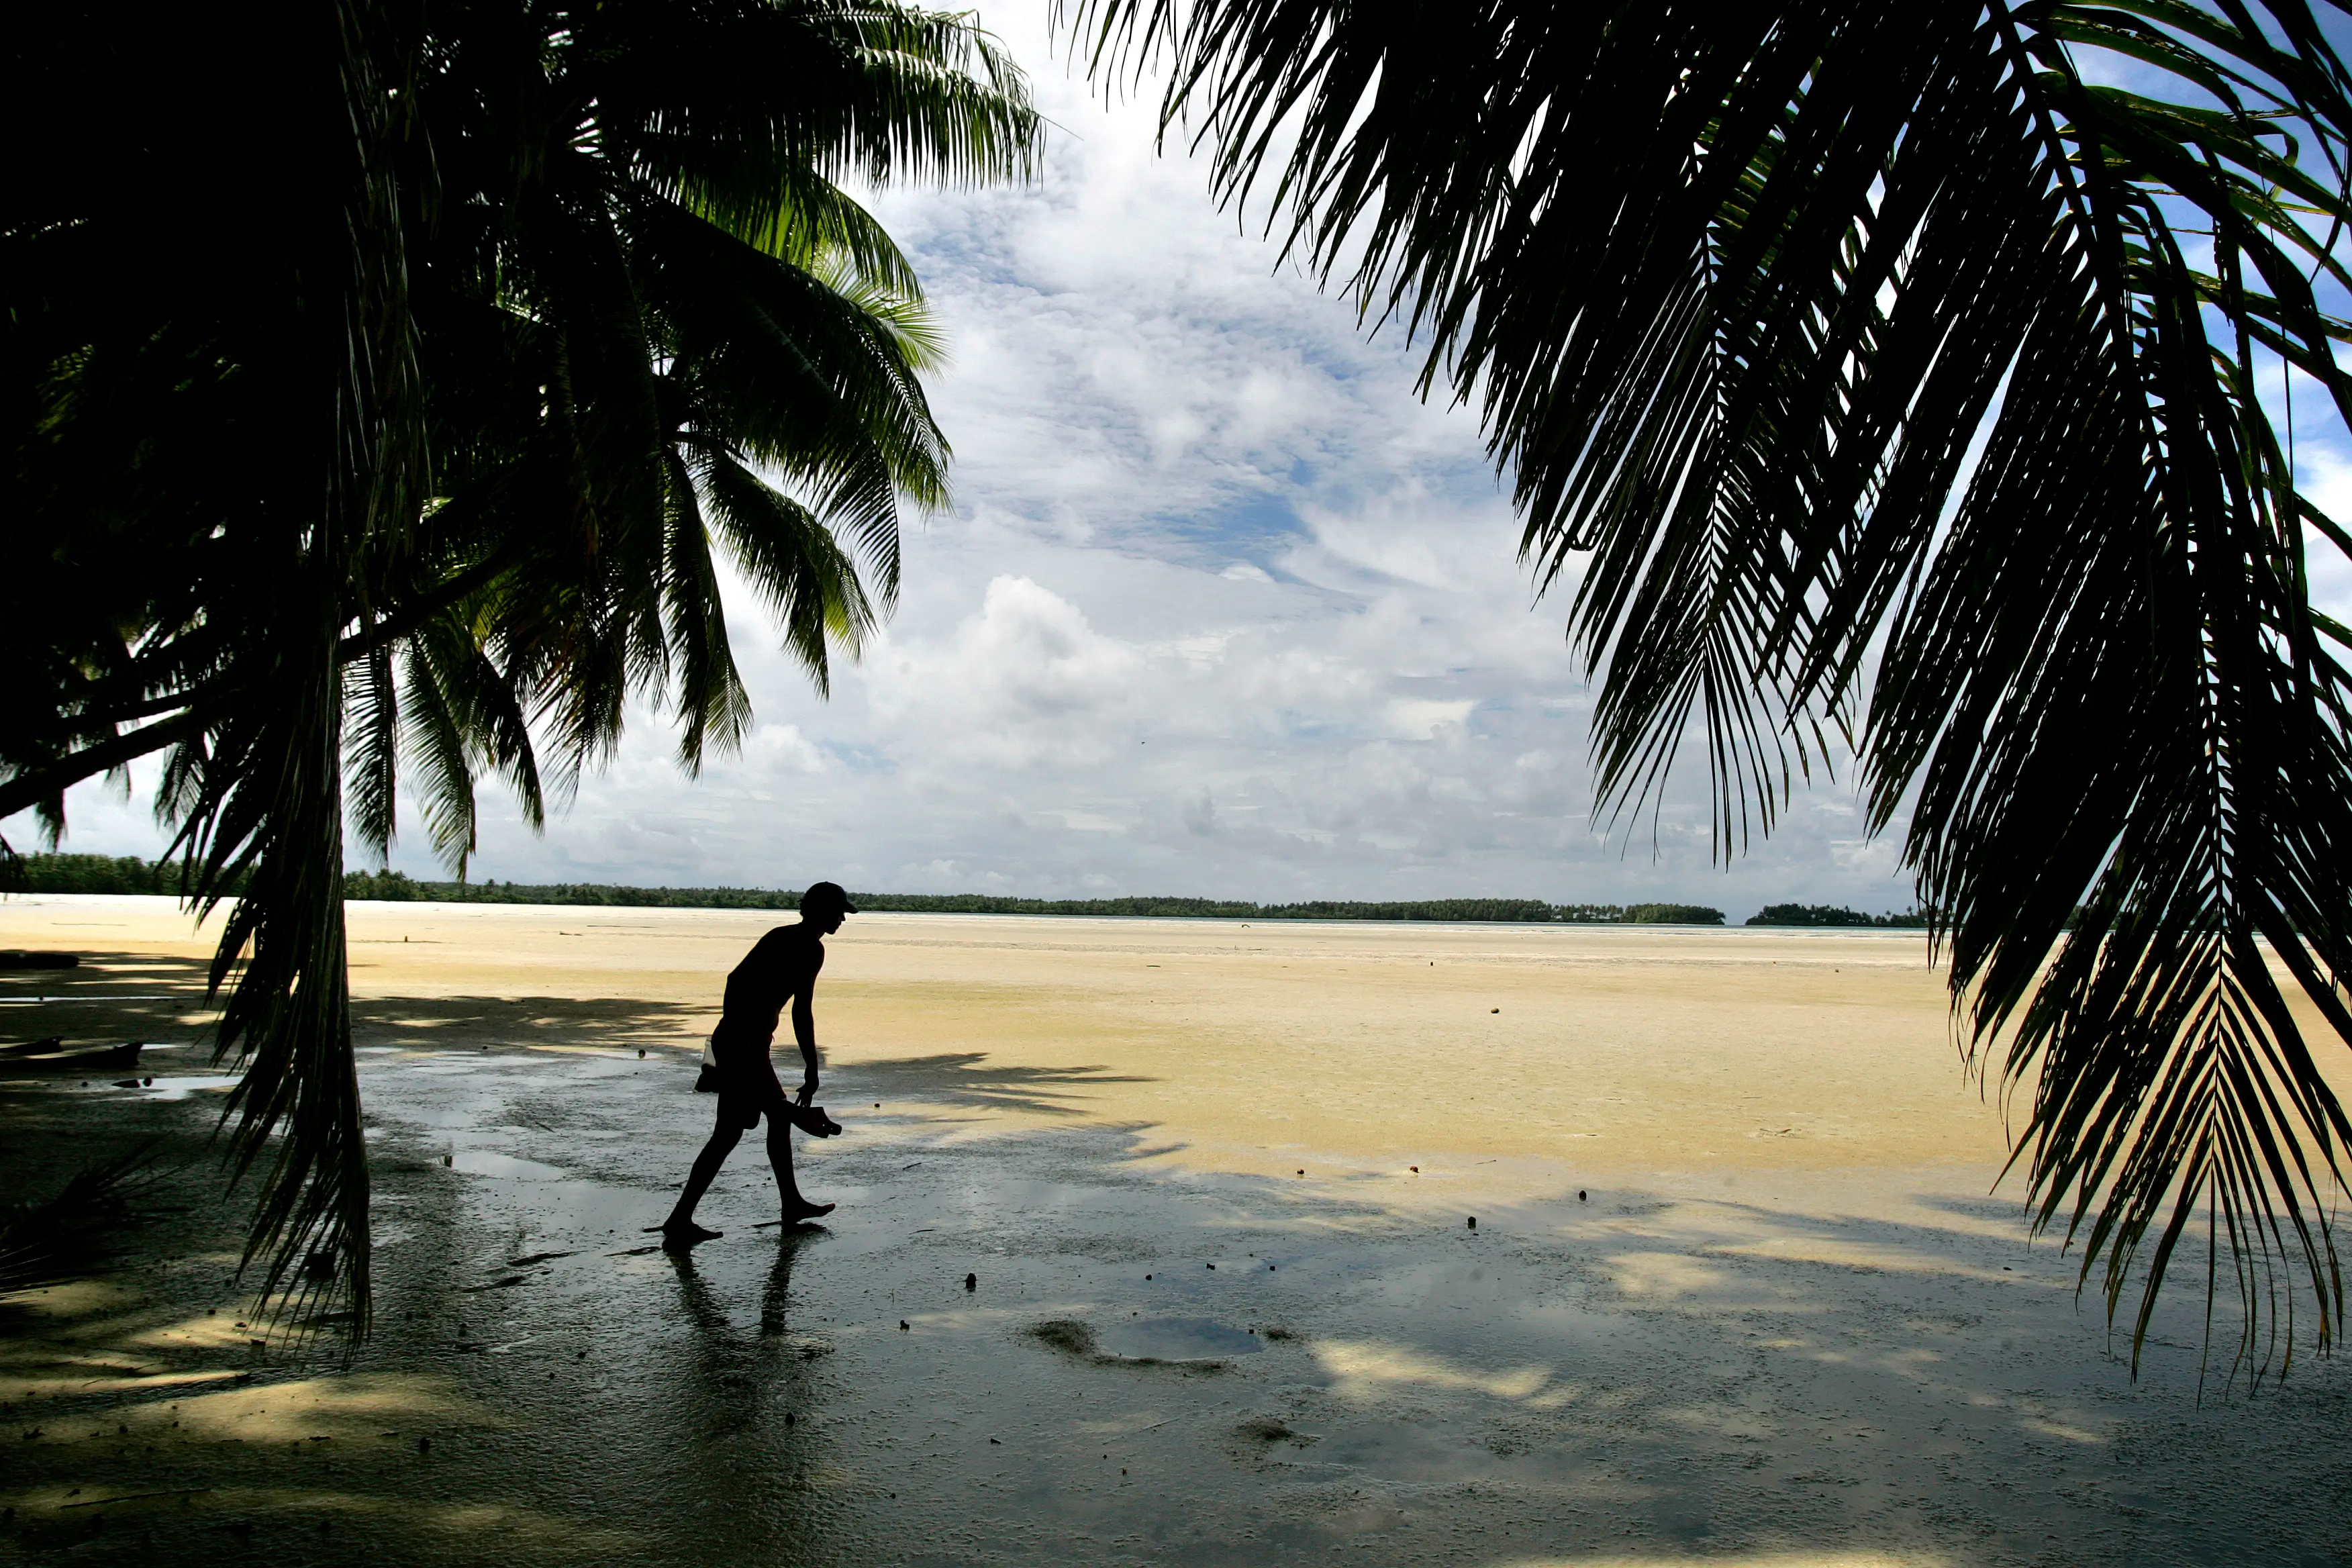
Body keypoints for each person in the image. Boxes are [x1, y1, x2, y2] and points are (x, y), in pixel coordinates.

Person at [658, 881, 856, 1244]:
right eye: (839, 912)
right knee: (741, 1129)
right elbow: (801, 1011)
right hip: (744, 1046)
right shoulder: (810, 949)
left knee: (744, 1129)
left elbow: (735, 982)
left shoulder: (779, 937)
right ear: (820, 911)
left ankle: (789, 1202)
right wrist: (810, 1067)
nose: (843, 919)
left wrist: (733, 1028)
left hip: (741, 1042)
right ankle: (681, 1219)